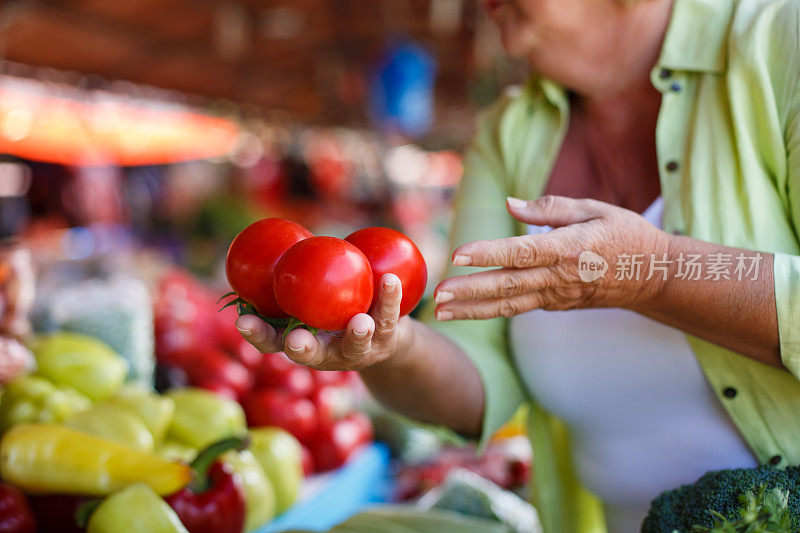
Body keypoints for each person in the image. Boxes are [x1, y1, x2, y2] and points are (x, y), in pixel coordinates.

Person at [236, 0, 800, 530]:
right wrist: (393, 347)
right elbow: (479, 377)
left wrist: (652, 274)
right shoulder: (511, 132)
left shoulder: (779, 42)